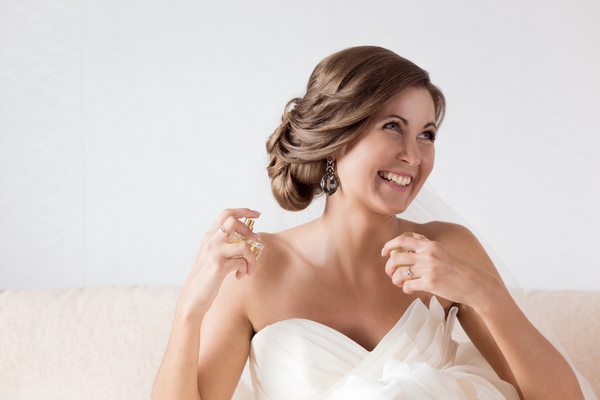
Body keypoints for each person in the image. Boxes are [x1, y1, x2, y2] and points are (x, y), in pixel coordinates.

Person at [152, 46, 591, 399]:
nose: (414, 157)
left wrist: (485, 295)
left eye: (426, 134)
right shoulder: (255, 267)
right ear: (334, 138)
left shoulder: (448, 251)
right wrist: (190, 309)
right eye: (392, 127)